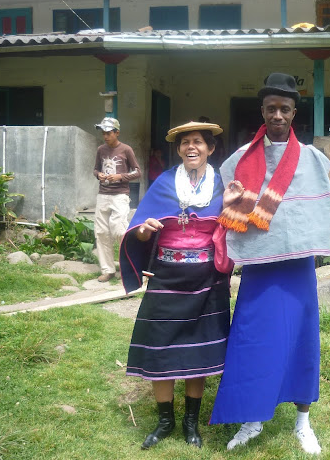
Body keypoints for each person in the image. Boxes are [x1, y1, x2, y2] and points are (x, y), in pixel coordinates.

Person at [210, 73, 330, 456]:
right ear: (262, 111)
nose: (277, 115)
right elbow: (227, 207)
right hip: (259, 264)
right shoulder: (239, 162)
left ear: (294, 113)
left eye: (284, 108)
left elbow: (314, 209)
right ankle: (252, 418)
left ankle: (303, 422)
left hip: (297, 266)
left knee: (301, 338)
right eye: (271, 108)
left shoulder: (313, 160)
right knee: (254, 339)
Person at [118, 121, 232, 450]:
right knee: (161, 349)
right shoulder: (165, 183)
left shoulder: (223, 185)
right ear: (179, 149)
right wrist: (145, 230)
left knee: (199, 350)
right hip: (167, 279)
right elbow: (140, 231)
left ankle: (190, 423)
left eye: (198, 142)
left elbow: (237, 224)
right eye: (185, 143)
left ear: (210, 148)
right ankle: (165, 421)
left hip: (208, 281)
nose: (191, 147)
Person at [93, 116, 141, 282]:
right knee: (101, 232)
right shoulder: (101, 150)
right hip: (103, 194)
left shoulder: (126, 149)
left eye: (108, 133)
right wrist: (99, 175)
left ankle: (130, 266)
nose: (105, 136)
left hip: (120, 195)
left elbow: (137, 172)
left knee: (119, 230)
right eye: (103, 133)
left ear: (117, 132)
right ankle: (108, 270)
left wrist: (120, 176)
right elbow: (95, 169)